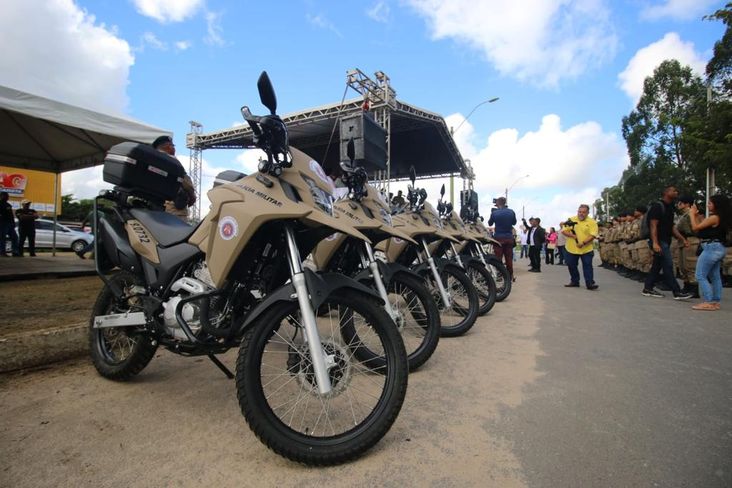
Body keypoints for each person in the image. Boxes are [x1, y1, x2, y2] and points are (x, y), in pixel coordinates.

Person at [641, 185, 693, 300]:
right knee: (668, 265)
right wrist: (655, 243)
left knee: (657, 266)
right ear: (666, 192)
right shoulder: (657, 206)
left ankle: (648, 288)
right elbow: (653, 225)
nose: (676, 192)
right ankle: (677, 291)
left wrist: (682, 239)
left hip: (666, 240)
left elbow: (672, 228)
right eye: (674, 190)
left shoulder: (670, 208)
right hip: (659, 241)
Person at [689, 194, 730, 311]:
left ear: (717, 205)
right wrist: (696, 215)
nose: (708, 205)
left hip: (711, 248)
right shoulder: (720, 217)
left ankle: (708, 301)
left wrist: (691, 214)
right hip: (718, 247)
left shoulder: (715, 217)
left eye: (710, 203)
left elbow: (695, 228)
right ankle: (715, 301)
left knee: (700, 274)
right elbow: (702, 228)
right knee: (714, 276)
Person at [153, 135, 196, 222]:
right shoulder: (171, 160)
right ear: (169, 146)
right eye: (173, 146)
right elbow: (186, 183)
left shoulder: (153, 159)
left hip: (155, 206)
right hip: (173, 208)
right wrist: (192, 196)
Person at [561, 205, 599, 290]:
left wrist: (583, 243)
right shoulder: (571, 219)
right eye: (579, 212)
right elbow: (563, 230)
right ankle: (575, 281)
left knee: (587, 265)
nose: (581, 214)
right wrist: (571, 235)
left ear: (588, 213)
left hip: (586, 249)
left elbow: (593, 235)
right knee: (571, 265)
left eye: (583, 212)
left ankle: (589, 283)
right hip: (571, 248)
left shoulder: (592, 222)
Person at [488, 197, 517, 280]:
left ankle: (500, 276)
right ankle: (510, 276)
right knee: (509, 258)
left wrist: (492, 213)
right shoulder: (511, 212)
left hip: (498, 238)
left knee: (498, 258)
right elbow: (514, 222)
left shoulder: (495, 213)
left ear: (498, 203)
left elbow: (490, 223)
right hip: (509, 237)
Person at [0, 191, 20, 257]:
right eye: (6, 196)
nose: (7, 197)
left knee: (15, 237)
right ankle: (2, 252)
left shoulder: (8, 205)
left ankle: (15, 252)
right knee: (2, 238)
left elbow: (11, 215)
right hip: (3, 224)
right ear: (2, 196)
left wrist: (13, 223)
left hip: (10, 224)